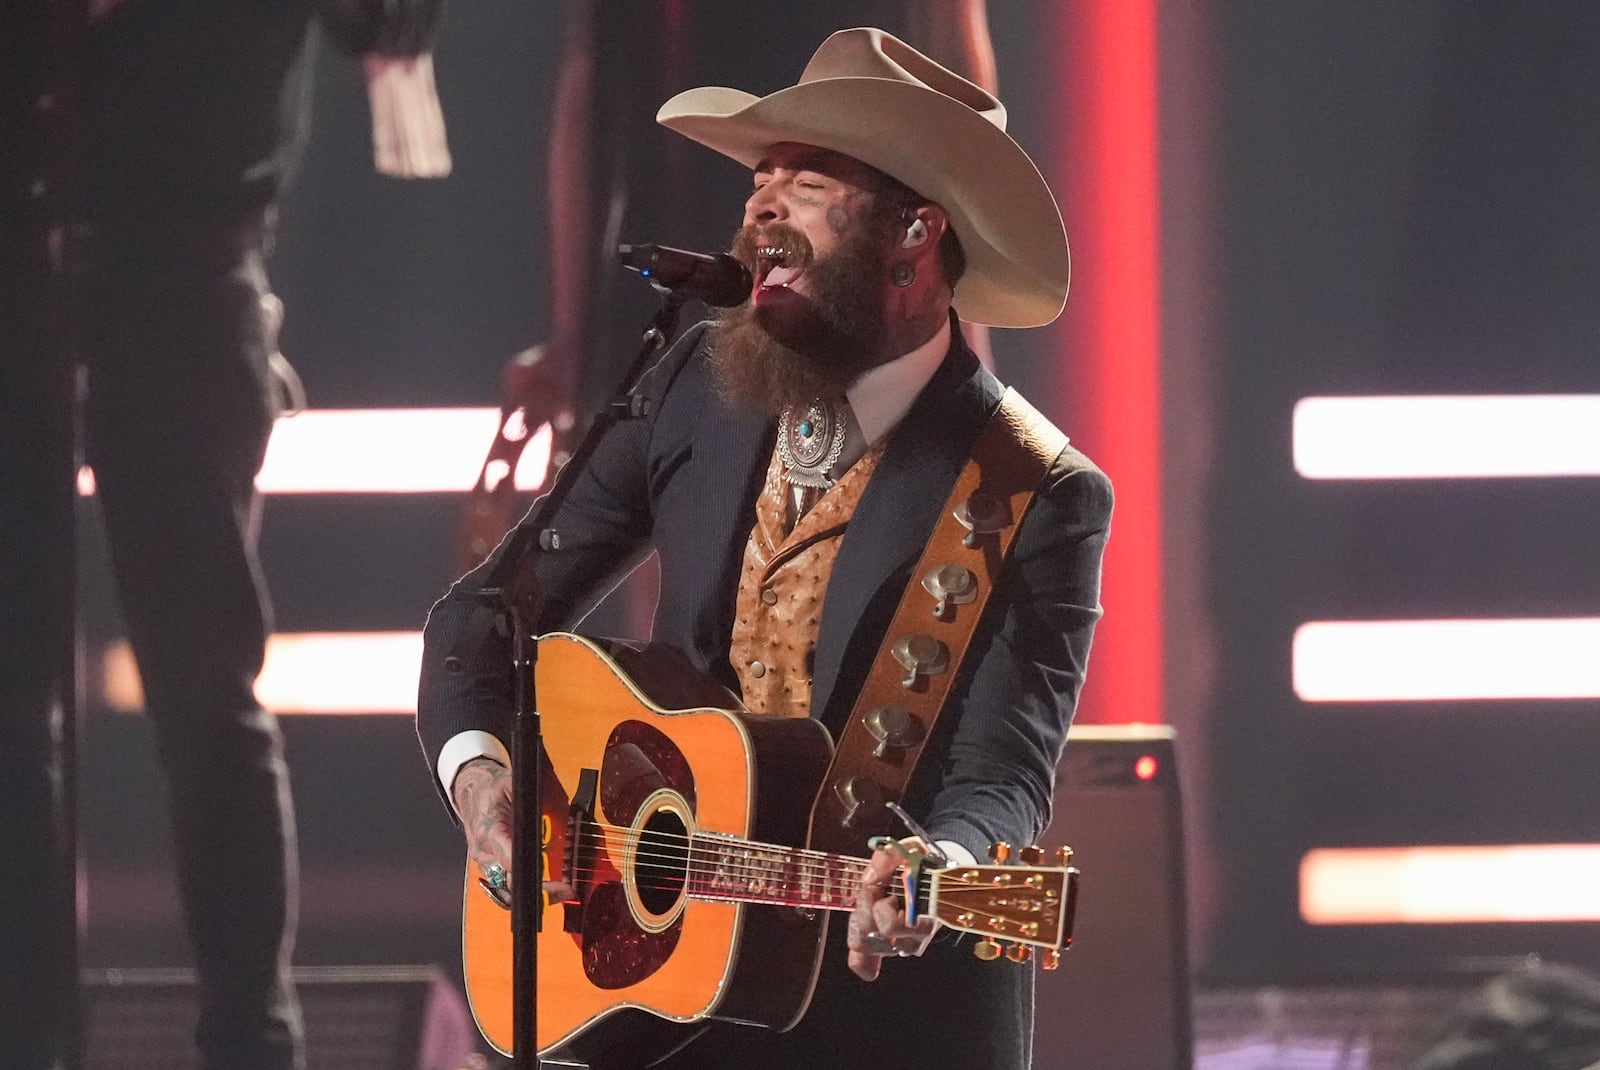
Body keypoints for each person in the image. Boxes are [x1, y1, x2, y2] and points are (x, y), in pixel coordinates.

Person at [417, 27, 1111, 1070]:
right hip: (663, 995)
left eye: (808, 178)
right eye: (760, 174)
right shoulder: (695, 379)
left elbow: (1003, 771)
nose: (760, 205)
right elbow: (483, 620)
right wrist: (485, 789)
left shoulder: (1031, 490)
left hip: (889, 1022)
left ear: (913, 235)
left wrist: (939, 862)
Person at [0, 4, 444, 1069]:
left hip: (188, 266)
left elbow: (391, 19)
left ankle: (251, 1040)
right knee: (17, 702)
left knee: (204, 691)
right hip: (25, 259)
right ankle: (29, 1032)